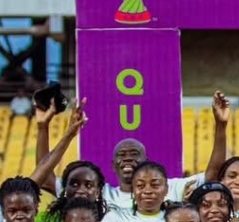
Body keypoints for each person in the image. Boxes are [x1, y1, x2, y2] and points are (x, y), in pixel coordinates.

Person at [94, 90, 230, 212]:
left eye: (134, 154)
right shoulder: (104, 195)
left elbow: (213, 174)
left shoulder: (172, 188)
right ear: (113, 165)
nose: (128, 158)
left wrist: (221, 125)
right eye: (121, 155)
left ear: (146, 161)